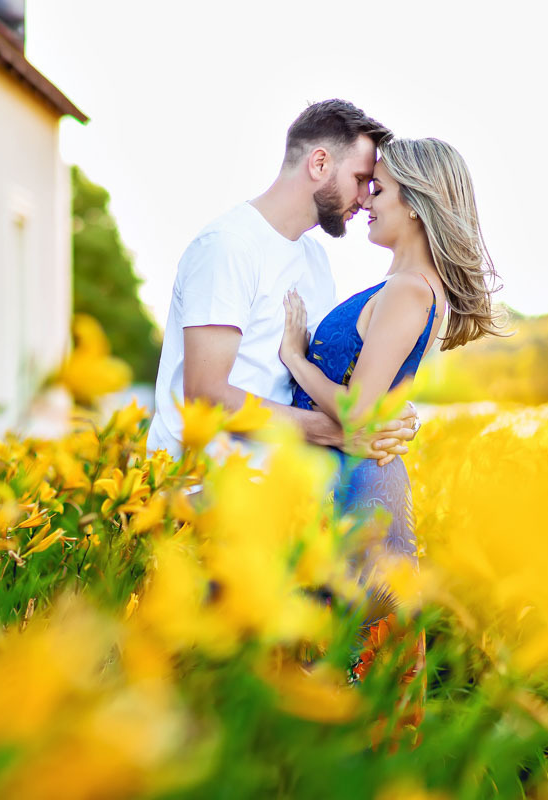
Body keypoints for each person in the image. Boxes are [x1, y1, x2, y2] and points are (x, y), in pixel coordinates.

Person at [280, 136, 504, 693]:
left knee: (348, 657)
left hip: (360, 486)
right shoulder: (408, 287)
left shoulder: (409, 289)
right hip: (351, 476)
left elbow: (357, 410)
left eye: (377, 189)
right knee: (337, 656)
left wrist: (293, 357)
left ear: (416, 203)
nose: (365, 204)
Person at [146, 99, 418, 463]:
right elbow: (206, 395)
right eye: (359, 180)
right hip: (199, 491)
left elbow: (313, 374)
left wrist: (390, 412)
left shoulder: (316, 261)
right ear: (320, 163)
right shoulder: (228, 246)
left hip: (277, 493)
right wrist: (336, 433)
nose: (365, 198)